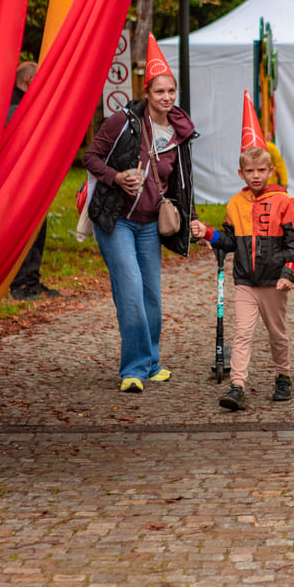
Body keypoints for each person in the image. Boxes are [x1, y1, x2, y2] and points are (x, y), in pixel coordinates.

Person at [82, 39, 197, 394]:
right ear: (146, 93)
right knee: (130, 291)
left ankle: (151, 362)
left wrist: (191, 216)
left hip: (149, 224)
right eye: (159, 91)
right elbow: (90, 157)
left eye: (171, 91)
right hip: (115, 219)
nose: (166, 97)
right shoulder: (123, 121)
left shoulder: (180, 131)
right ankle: (133, 369)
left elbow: (183, 180)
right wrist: (116, 177)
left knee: (151, 298)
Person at [190, 144, 294, 410]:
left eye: (261, 170)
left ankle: (283, 376)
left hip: (274, 283)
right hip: (245, 282)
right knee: (242, 333)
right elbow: (229, 241)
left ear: (271, 171)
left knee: (277, 333)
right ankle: (237, 386)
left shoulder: (285, 202)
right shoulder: (235, 204)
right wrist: (207, 233)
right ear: (240, 173)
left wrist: (288, 273)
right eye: (250, 171)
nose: (256, 175)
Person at [8, 62, 60, 300]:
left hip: (32, 178)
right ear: (30, 81)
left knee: (38, 229)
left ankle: (31, 281)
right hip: (19, 181)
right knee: (23, 231)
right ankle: (19, 284)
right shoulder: (14, 107)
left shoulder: (25, 104)